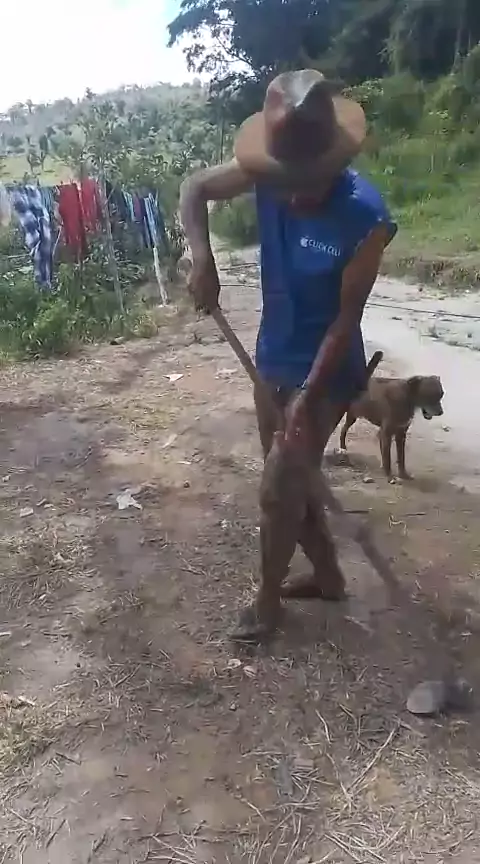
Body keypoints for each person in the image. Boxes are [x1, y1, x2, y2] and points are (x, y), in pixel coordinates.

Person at [180, 69, 396, 640]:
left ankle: (267, 601)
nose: (292, 194)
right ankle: (327, 576)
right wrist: (203, 257)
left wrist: (306, 397)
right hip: (271, 358)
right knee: (296, 483)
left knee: (279, 487)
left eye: (306, 182)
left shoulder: (365, 218)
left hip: (327, 369)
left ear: (332, 162)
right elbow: (194, 189)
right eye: (284, 180)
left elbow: (345, 321)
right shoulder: (267, 173)